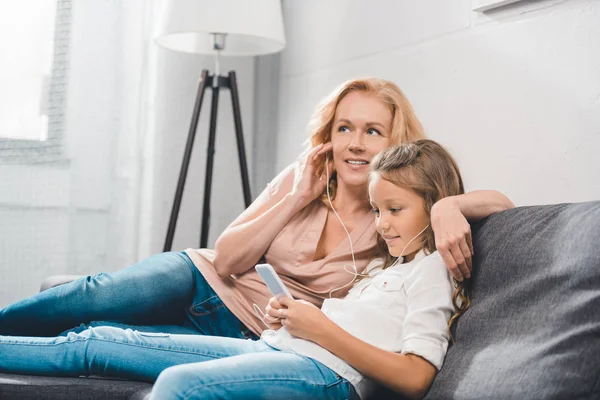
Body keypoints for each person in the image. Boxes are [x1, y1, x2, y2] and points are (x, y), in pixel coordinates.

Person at [0, 79, 512, 381]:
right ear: (328, 137)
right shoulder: (306, 178)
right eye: (344, 129)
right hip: (202, 281)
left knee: (103, 345)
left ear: (395, 143)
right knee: (95, 295)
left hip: (252, 331)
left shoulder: (401, 215)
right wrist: (297, 198)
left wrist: (450, 206)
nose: (355, 144)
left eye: (372, 131)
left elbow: (501, 204)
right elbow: (226, 260)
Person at [144, 139, 485, 399]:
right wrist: (296, 316)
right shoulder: (386, 265)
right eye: (377, 211)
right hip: (286, 346)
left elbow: (416, 377)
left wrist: (318, 328)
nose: (381, 225)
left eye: (394, 209)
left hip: (327, 371)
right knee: (105, 342)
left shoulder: (433, 266)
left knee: (178, 382)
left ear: (433, 204)